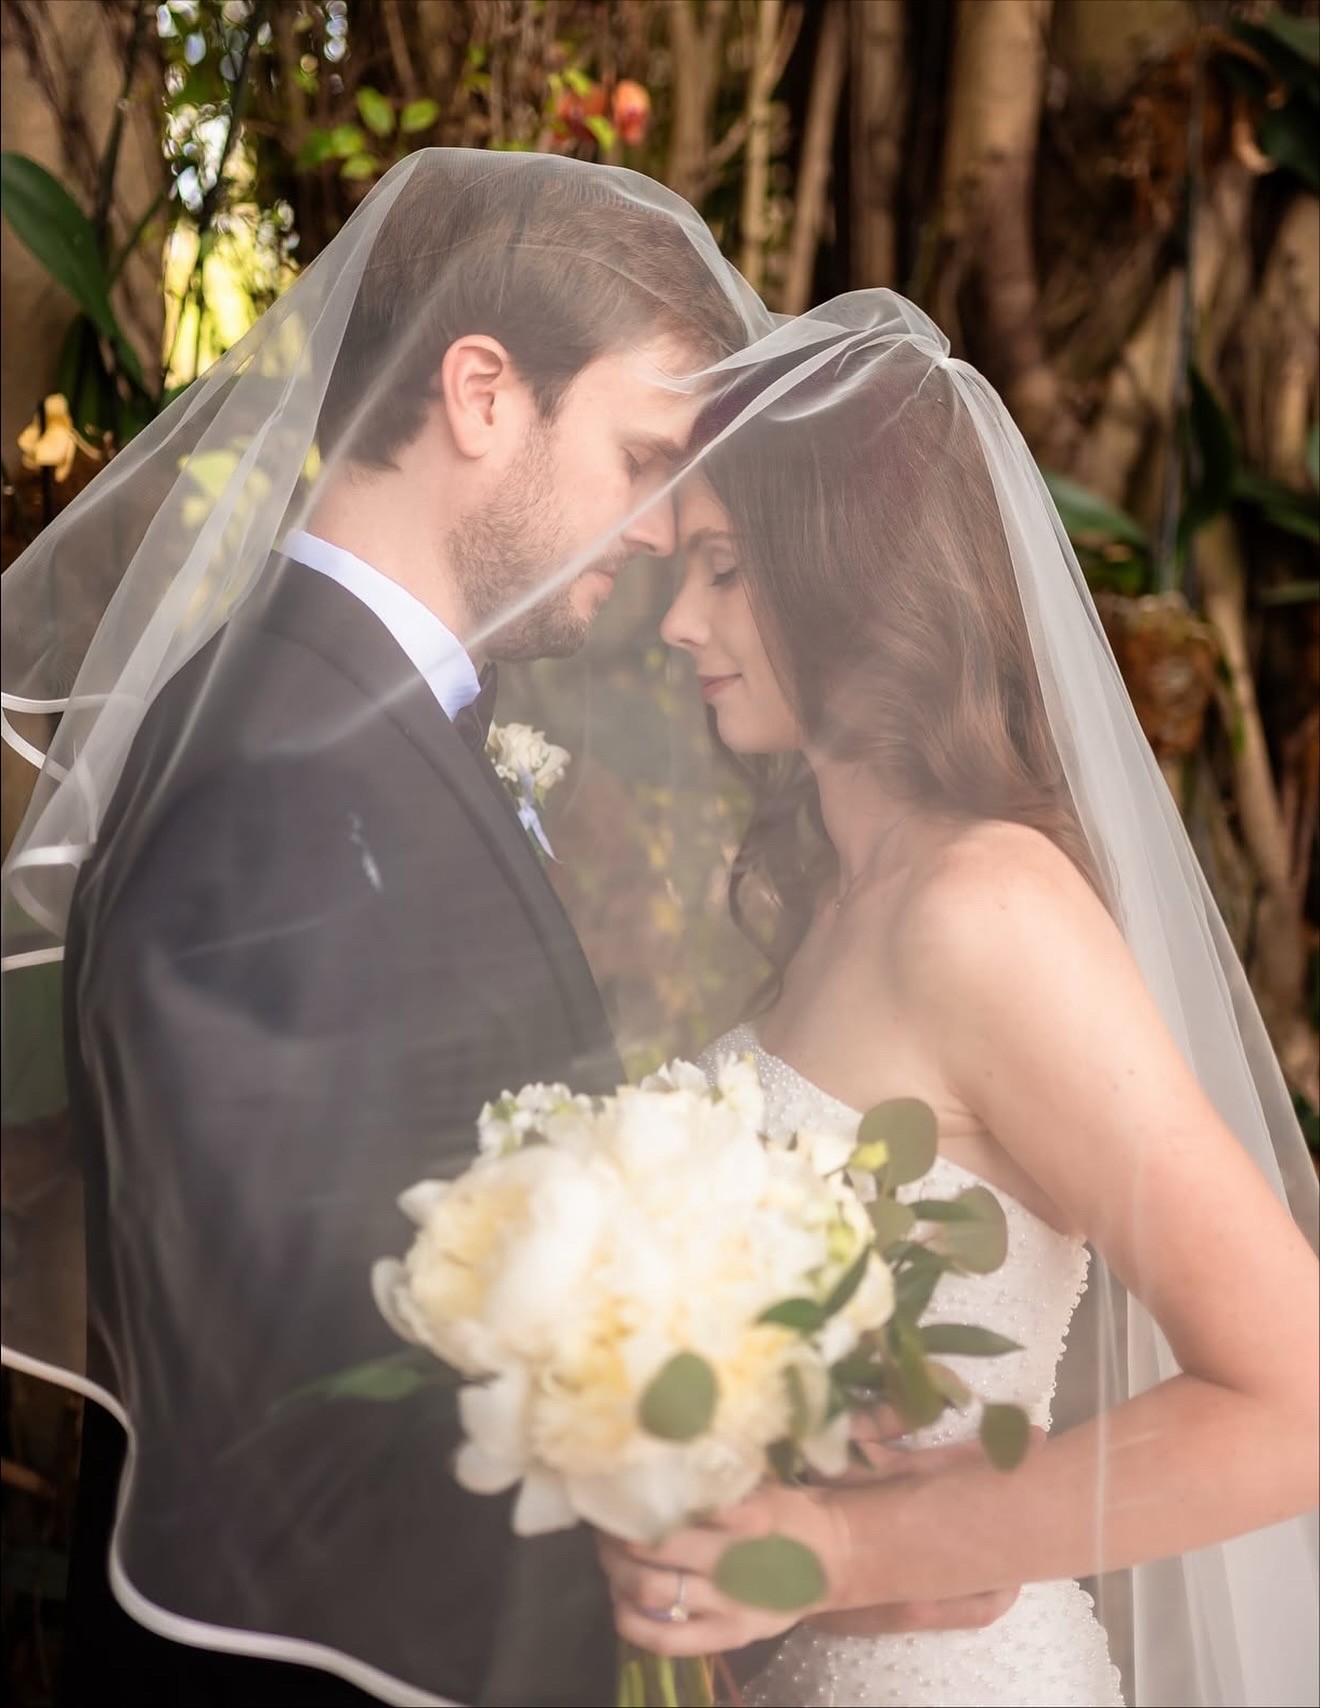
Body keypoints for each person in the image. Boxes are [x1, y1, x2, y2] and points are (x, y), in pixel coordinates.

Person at [2, 150, 758, 1707]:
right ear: (482, 394)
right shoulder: (282, 778)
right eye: (638, 456)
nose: (660, 529)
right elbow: (287, 1392)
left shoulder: (347, 713)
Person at [596, 308, 1320, 1706]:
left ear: (849, 582)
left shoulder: (988, 912)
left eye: (727, 571)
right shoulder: (837, 904)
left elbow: (1296, 1394)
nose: (680, 621)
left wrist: (850, 1548)